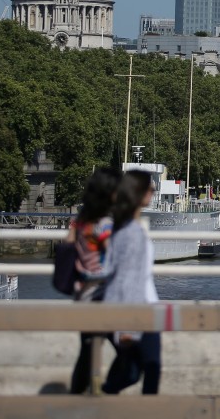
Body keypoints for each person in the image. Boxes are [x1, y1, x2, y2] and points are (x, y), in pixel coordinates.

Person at [102, 170, 161, 395]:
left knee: (133, 372)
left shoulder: (123, 227)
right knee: (150, 370)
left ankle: (101, 401)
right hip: (141, 313)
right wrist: (128, 327)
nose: (153, 194)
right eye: (151, 190)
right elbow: (127, 279)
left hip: (140, 309)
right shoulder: (132, 232)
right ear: (140, 193)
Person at [68, 167, 119, 394]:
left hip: (82, 294)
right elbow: (113, 260)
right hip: (102, 296)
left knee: (86, 352)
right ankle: (106, 391)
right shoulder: (104, 224)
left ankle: (77, 397)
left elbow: (68, 248)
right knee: (129, 350)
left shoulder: (79, 222)